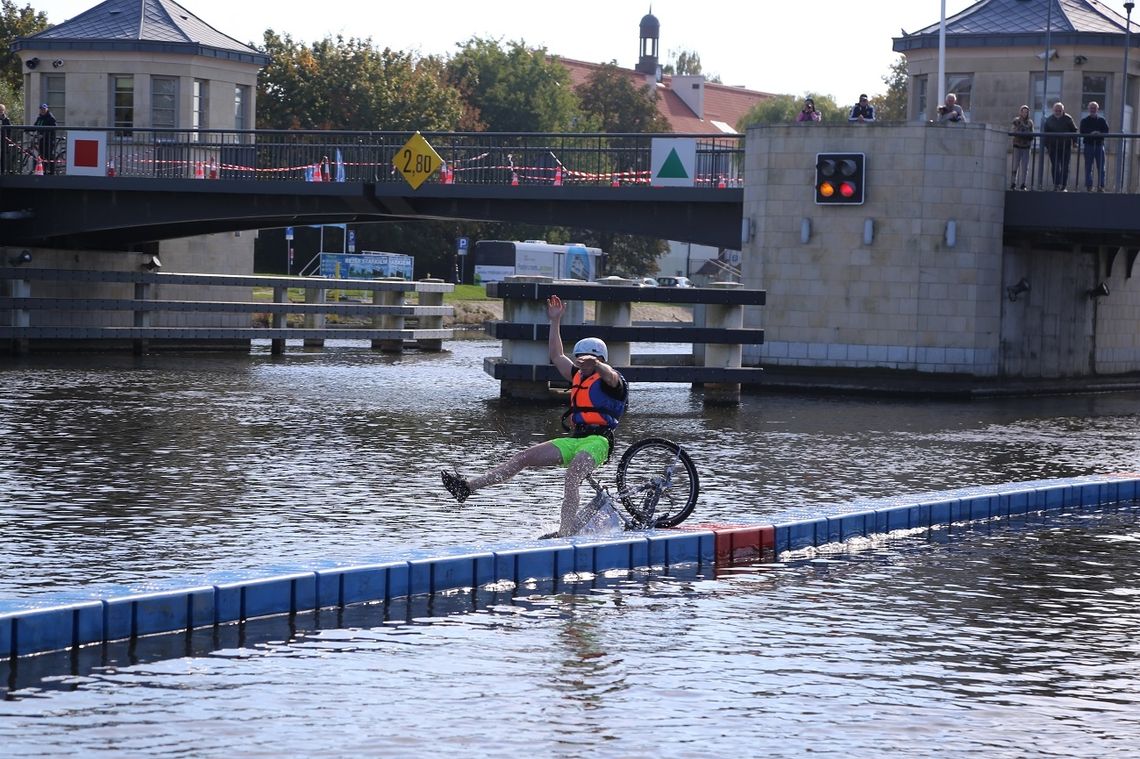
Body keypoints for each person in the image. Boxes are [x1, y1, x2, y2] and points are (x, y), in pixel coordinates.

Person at [440, 294, 629, 537]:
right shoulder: (577, 375)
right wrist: (555, 321)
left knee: (572, 477)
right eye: (579, 360)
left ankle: (565, 532)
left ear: (600, 359)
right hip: (575, 439)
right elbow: (556, 355)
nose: (581, 364)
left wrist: (597, 364)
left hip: (600, 441)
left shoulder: (612, 380)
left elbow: (610, 375)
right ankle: (467, 487)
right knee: (522, 458)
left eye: (586, 360)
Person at [1043, 101, 1078, 191]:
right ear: (1053, 110)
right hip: (1053, 147)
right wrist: (1047, 145)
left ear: (1063, 110)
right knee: (1055, 166)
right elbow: (1045, 133)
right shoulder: (1049, 120)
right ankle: (1056, 184)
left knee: (1065, 166)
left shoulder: (1068, 118)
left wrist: (1074, 142)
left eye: (1059, 110)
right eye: (1056, 110)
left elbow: (1074, 130)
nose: (1058, 112)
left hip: (1065, 147)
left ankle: (1063, 185)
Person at [1080, 101, 1110, 192]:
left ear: (1097, 109)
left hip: (1099, 145)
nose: (1093, 109)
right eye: (1091, 108)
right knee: (1088, 167)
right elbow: (1082, 131)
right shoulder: (1084, 121)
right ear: (1088, 109)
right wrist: (1091, 133)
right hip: (1088, 145)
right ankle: (1089, 186)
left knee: (1101, 167)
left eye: (1094, 108)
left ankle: (1101, 186)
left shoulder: (1102, 120)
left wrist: (1099, 133)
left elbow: (1106, 131)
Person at [1010, 104, 1034, 190]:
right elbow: (1013, 131)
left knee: (1025, 166)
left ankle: (1023, 184)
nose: (1025, 114)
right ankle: (1013, 183)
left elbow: (1032, 133)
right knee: (1015, 165)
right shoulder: (1016, 121)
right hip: (1017, 145)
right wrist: (1020, 132)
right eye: (1023, 112)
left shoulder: (1030, 122)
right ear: (1021, 112)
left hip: (1026, 146)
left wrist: (1027, 135)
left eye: (1026, 112)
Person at [33, 103, 57, 175]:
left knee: (49, 156)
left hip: (49, 141)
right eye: (41, 109)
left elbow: (53, 129)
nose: (42, 110)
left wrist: (44, 135)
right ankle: (43, 171)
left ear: (47, 109)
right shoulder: (39, 118)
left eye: (44, 109)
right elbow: (35, 126)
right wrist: (26, 130)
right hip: (41, 141)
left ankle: (52, 173)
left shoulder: (51, 118)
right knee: (42, 156)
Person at [0, 103, 11, 174]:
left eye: (1, 110)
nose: (0, 112)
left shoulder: (6, 119)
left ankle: (3, 171)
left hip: (4, 141)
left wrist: (8, 140)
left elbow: (10, 130)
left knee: (3, 156)